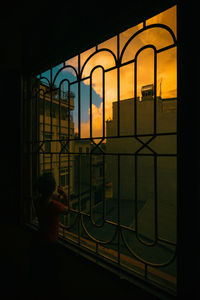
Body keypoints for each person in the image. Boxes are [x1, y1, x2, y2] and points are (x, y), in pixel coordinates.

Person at [28, 172, 71, 297]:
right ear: (53, 188)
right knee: (51, 274)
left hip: (38, 239)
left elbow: (45, 197)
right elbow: (69, 209)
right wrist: (64, 195)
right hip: (50, 243)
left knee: (39, 273)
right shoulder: (55, 206)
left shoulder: (37, 201)